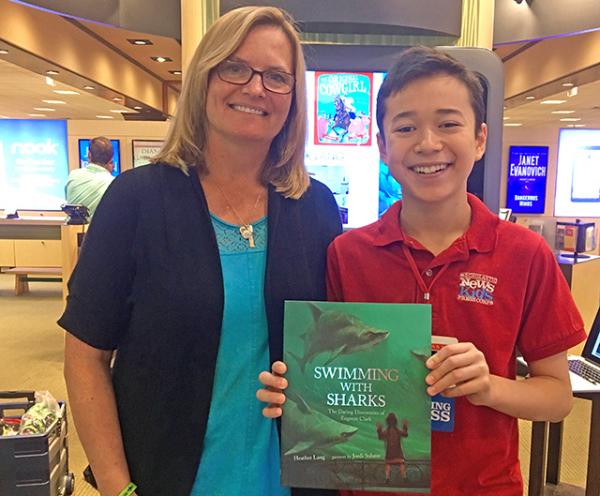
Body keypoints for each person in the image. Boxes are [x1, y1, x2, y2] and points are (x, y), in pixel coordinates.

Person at [258, 47, 586, 495]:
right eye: (406, 127)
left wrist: (488, 386)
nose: (428, 143)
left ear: (480, 138)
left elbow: (557, 397)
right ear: (383, 146)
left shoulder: (524, 253)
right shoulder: (347, 254)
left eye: (448, 123)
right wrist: (296, 392)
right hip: (369, 484)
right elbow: (333, 376)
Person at [59, 6, 341, 496]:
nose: (256, 88)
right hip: (167, 479)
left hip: (293, 480)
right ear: (204, 79)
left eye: (277, 77)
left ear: (294, 98)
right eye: (236, 67)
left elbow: (331, 350)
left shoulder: (315, 207)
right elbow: (85, 355)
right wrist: (114, 485)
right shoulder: (135, 200)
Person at [65, 136, 114, 217]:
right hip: (99, 229)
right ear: (110, 159)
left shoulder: (73, 175)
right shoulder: (113, 183)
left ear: (89, 154)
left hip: (72, 229)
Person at [376, 413, 408, 484]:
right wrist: (405, 426)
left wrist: (379, 429)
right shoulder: (397, 430)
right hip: (397, 451)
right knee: (401, 463)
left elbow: (380, 436)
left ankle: (387, 478)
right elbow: (405, 434)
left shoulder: (387, 431)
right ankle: (404, 477)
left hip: (390, 451)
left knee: (388, 464)